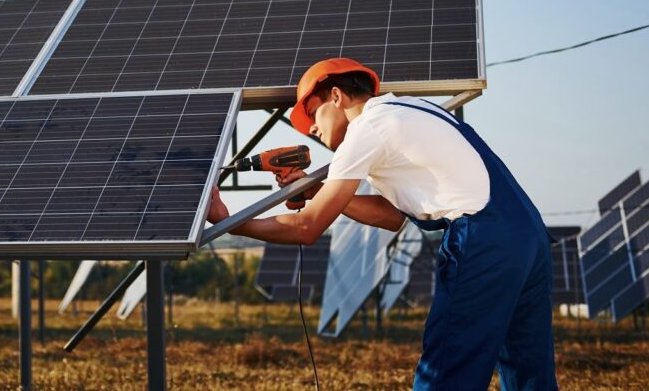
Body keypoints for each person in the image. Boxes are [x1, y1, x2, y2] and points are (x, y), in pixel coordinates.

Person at [207, 57, 558, 390]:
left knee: (447, 370)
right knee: (528, 371)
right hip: (527, 234)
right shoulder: (408, 110)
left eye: (313, 114)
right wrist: (319, 190)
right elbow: (390, 217)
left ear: (336, 95)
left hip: (483, 239)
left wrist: (231, 223)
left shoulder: (366, 130)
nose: (312, 128)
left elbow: (306, 228)